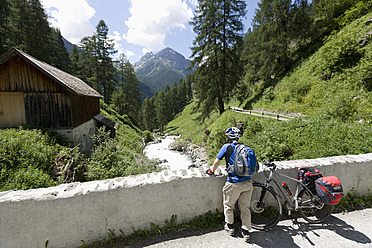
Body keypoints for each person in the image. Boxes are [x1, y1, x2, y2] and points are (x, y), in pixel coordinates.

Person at [205, 127, 253, 243]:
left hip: (233, 183)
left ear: (228, 138)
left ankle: (230, 227)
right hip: (247, 182)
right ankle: (246, 232)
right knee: (245, 208)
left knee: (228, 205)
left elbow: (217, 162)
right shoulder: (245, 147)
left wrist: (211, 171)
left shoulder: (226, 147)